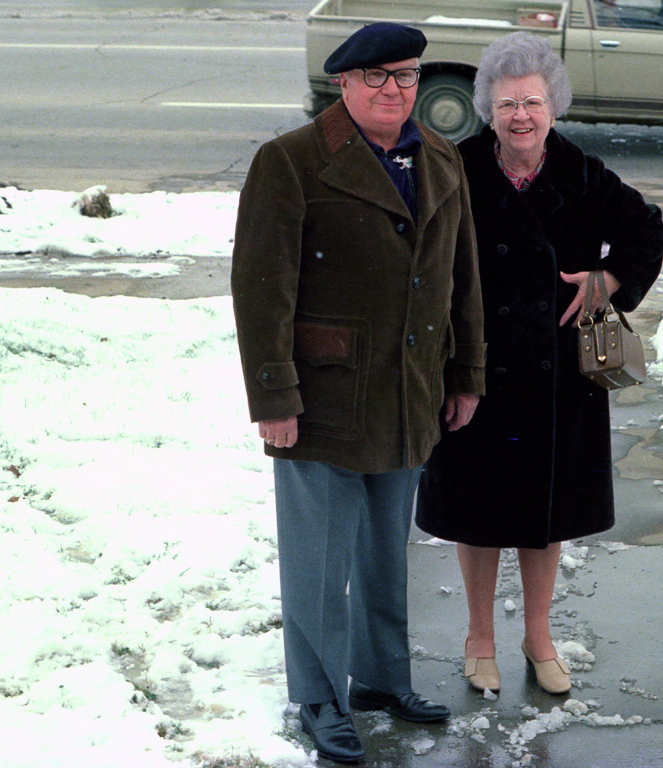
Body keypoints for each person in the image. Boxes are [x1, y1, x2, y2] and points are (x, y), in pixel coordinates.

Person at [231, 22, 486, 764]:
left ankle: (379, 680)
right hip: (323, 398)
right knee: (320, 561)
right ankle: (318, 695)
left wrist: (466, 374)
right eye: (375, 77)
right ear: (342, 83)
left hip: (409, 392)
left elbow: (461, 277)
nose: (393, 90)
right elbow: (260, 289)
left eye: (405, 76)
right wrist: (273, 397)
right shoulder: (292, 162)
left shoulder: (438, 156)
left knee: (384, 554)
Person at [415, 31, 663, 697]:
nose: (520, 116)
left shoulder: (581, 172)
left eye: (531, 102)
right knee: (477, 512)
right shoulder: (457, 168)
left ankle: (537, 635)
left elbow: (647, 231)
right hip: (475, 369)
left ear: (553, 105)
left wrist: (605, 283)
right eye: (506, 105)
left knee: (544, 514)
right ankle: (478, 637)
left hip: (559, 378)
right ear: (486, 111)